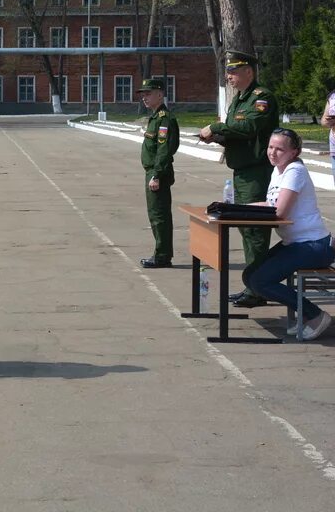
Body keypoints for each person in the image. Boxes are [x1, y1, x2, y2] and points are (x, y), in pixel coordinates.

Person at [198, 50, 279, 308]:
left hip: (256, 172)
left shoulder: (261, 98)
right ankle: (253, 286)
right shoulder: (237, 101)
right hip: (241, 171)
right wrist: (217, 137)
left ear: (249, 72)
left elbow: (251, 128)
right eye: (228, 71)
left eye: (234, 71)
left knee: (255, 231)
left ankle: (257, 289)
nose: (229, 76)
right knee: (246, 229)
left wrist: (218, 128)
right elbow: (237, 133)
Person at [243, 128, 334, 341]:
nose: (273, 153)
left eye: (280, 149)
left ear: (294, 152)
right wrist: (236, 208)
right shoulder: (279, 170)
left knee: (261, 281)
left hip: (313, 246)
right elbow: (271, 203)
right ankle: (305, 315)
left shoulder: (295, 171)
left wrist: (246, 212)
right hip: (294, 242)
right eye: (270, 147)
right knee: (250, 276)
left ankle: (315, 316)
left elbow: (280, 211)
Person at [137, 79, 179, 269]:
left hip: (157, 173)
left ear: (160, 94)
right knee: (155, 215)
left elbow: (164, 150)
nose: (144, 97)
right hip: (153, 171)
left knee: (159, 215)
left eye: (148, 93)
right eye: (143, 94)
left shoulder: (164, 119)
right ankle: (161, 253)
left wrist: (157, 175)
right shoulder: (155, 117)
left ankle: (162, 255)